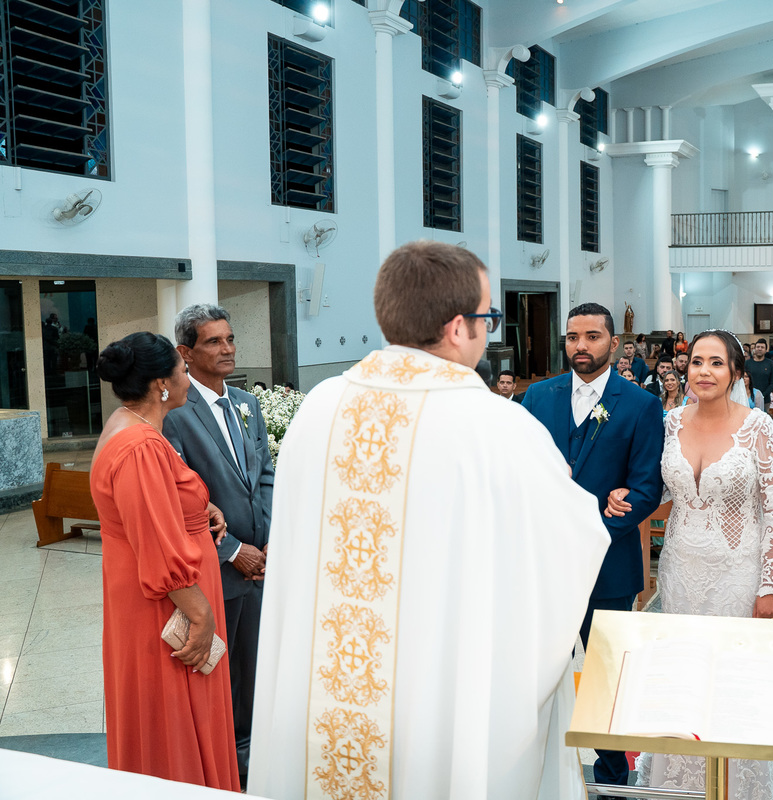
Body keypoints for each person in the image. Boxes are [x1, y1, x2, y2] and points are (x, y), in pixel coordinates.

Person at [248, 241, 609, 799]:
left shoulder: (319, 408)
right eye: (488, 318)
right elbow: (577, 540)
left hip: (325, 696)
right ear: (459, 327)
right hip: (438, 695)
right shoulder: (498, 426)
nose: (488, 332)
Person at [605, 329, 773, 799]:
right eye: (697, 362)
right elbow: (662, 486)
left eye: (717, 363)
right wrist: (629, 494)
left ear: (735, 373)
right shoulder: (668, 423)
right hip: (681, 569)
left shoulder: (758, 427)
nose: (704, 371)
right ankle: (677, 783)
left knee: (728, 679)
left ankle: (738, 784)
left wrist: (770, 584)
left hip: (737, 572)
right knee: (682, 678)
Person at [522, 301, 665, 794]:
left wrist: (599, 526)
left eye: (592, 337)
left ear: (614, 344)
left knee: (607, 679)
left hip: (608, 566)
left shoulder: (642, 405)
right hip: (544, 567)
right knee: (538, 677)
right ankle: (534, 771)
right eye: (572, 337)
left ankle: (612, 780)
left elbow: (647, 486)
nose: (580, 346)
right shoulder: (537, 398)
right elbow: (521, 473)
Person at [91, 332, 239, 790]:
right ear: (162, 383)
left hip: (158, 593)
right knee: (173, 711)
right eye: (181, 370)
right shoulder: (140, 446)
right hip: (167, 603)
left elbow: (155, 504)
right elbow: (154, 541)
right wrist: (200, 614)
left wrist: (200, 508)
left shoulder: (130, 423)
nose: (187, 377)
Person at [162, 304, 274, 787]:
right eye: (213, 342)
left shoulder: (247, 403)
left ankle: (251, 759)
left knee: (255, 669)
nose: (227, 348)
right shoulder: (175, 416)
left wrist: (267, 544)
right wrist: (234, 552)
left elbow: (265, 474)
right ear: (186, 352)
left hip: (261, 565)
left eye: (229, 339)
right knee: (220, 677)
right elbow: (182, 500)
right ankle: (222, 765)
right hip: (216, 569)